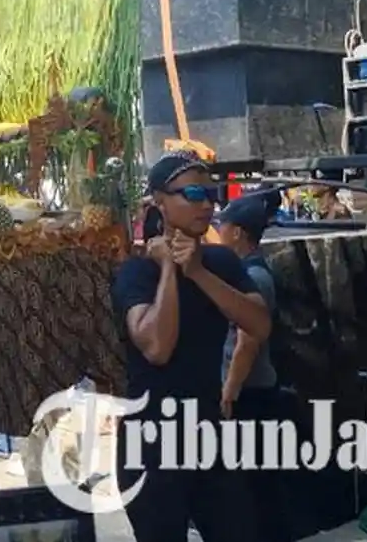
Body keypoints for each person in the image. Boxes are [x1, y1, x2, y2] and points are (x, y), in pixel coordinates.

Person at [111, 151, 272, 542]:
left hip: (207, 430)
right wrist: (169, 267)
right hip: (150, 438)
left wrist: (197, 271)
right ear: (159, 203)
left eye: (211, 194)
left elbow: (259, 325)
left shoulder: (220, 262)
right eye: (193, 193)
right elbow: (157, 348)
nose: (206, 204)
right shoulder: (137, 272)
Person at [212, 190, 292, 542]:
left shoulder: (255, 279)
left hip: (251, 394)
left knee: (256, 485)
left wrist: (229, 392)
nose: (217, 233)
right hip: (248, 392)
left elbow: (247, 342)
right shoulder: (243, 273)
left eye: (222, 227)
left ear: (238, 234)